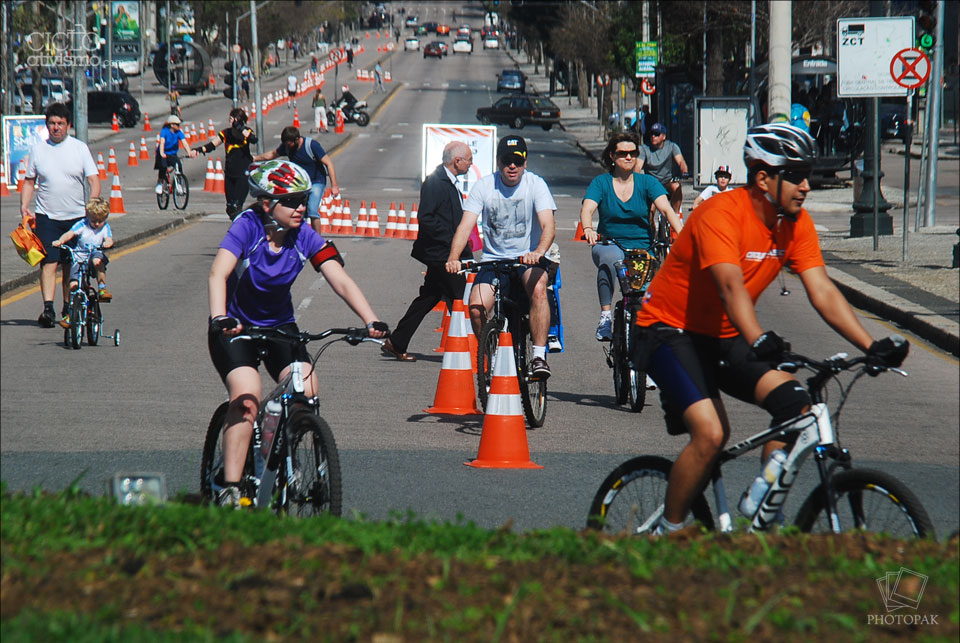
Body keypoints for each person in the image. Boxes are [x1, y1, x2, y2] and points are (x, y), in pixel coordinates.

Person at [631, 123, 909, 534]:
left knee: (797, 407)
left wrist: (872, 345)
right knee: (711, 433)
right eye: (795, 175)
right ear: (764, 178)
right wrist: (758, 336)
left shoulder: (795, 224)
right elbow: (729, 286)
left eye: (808, 175)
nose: (806, 186)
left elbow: (823, 291)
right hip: (667, 329)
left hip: (724, 335)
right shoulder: (721, 214)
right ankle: (664, 534)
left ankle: (764, 523)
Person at [207, 160, 389, 507]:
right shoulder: (247, 227)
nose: (301, 207)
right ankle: (230, 486)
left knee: (307, 385)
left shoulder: (304, 233)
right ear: (266, 203)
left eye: (303, 199)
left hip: (279, 327)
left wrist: (371, 320)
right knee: (247, 396)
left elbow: (339, 278)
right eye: (291, 200)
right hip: (234, 325)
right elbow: (218, 273)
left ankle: (274, 450)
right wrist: (219, 317)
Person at [445, 135, 557, 380]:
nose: (512, 166)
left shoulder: (536, 185)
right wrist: (453, 257)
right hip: (493, 261)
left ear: (525, 163)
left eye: (518, 161)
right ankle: (492, 354)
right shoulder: (484, 186)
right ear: (498, 162)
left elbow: (548, 225)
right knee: (475, 307)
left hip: (527, 260)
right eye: (507, 161)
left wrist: (538, 253)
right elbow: (465, 227)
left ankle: (539, 355)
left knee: (539, 287)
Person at [579, 133, 682, 342]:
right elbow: (587, 209)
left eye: (633, 153)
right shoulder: (601, 182)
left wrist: (682, 234)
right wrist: (588, 228)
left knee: (645, 300)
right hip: (610, 243)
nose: (629, 157)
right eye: (623, 153)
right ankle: (606, 317)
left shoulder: (647, 182)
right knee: (611, 258)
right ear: (612, 156)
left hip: (642, 247)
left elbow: (666, 209)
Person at [382, 141, 474, 362]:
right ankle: (473, 349)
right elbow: (427, 218)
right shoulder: (435, 182)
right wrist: (454, 242)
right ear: (457, 161)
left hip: (446, 252)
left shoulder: (449, 182)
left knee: (429, 297)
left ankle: (396, 342)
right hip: (441, 254)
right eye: (469, 160)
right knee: (462, 299)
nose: (471, 164)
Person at [19, 102, 100, 328]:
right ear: (47, 125)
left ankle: (67, 306)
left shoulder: (79, 148)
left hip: (75, 218)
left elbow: (94, 180)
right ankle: (47, 308)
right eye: (52, 123)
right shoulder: (38, 149)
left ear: (68, 125)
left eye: (60, 124)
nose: (56, 128)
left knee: (70, 264)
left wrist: (92, 205)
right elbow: (29, 181)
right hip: (47, 216)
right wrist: (25, 206)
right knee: (48, 262)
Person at [253, 126, 339, 236]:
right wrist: (255, 158)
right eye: (286, 144)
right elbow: (273, 154)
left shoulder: (311, 145)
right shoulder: (287, 147)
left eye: (289, 144)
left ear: (297, 139)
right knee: (292, 210)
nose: (287, 147)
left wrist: (334, 185)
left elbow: (328, 163)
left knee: (312, 211)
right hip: (300, 183)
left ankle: (318, 241)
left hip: (316, 181)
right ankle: (295, 238)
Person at [50, 196, 114, 308]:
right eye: (94, 221)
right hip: (79, 255)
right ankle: (71, 311)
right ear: (88, 216)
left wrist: (108, 243)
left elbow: (108, 238)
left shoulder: (105, 228)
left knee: (97, 261)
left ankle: (102, 287)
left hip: (94, 253)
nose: (97, 224)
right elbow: (70, 233)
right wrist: (61, 241)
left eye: (101, 221)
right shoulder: (83, 224)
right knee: (73, 284)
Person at [193, 108, 257, 218]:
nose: (229, 121)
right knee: (230, 207)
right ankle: (238, 224)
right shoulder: (226, 133)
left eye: (231, 119)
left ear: (237, 119)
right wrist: (198, 150)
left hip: (242, 174)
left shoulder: (247, 132)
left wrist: (240, 128)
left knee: (237, 206)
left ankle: (239, 230)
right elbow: (212, 145)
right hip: (230, 173)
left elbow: (253, 139)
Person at [639, 122, 688, 216]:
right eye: (651, 134)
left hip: (667, 182)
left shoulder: (672, 147)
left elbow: (681, 161)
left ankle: (676, 215)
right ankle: (651, 228)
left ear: (664, 137)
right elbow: (637, 166)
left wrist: (684, 171)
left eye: (657, 134)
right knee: (650, 211)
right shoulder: (644, 149)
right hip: (651, 185)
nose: (653, 136)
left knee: (676, 186)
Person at [155, 115, 198, 194]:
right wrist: (161, 153)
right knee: (163, 167)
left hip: (172, 154)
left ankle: (179, 184)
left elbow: (184, 143)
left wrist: (189, 152)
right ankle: (160, 183)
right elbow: (162, 142)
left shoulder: (179, 132)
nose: (179, 126)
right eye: (177, 124)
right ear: (171, 125)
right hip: (163, 153)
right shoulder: (164, 131)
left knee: (179, 165)